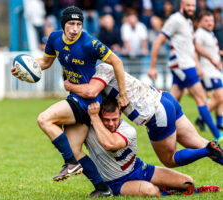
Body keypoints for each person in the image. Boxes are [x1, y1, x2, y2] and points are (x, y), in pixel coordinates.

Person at [11, 6, 129, 197]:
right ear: (63, 24)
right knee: (74, 149)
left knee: (44, 119)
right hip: (77, 100)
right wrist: (27, 66)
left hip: (87, 99)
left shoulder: (90, 43)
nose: (75, 29)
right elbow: (46, 62)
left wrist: (123, 94)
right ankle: (102, 188)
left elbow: (117, 62)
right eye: (71, 24)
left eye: (79, 24)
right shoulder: (54, 38)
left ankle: (71, 164)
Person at [64, 62, 223, 168]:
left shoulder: (98, 76)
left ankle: (208, 150)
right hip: (164, 98)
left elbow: (90, 91)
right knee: (198, 142)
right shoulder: (103, 67)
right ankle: (210, 148)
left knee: (169, 159)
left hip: (156, 112)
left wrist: (69, 85)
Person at [65, 97, 220, 197]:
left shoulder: (128, 130)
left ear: (120, 114)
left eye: (114, 119)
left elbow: (110, 144)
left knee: (188, 183)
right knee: (150, 191)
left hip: (139, 169)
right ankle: (160, 190)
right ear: (99, 116)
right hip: (117, 182)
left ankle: (165, 189)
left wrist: (94, 117)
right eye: (106, 120)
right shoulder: (89, 126)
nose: (111, 124)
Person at [148, 0, 223, 141]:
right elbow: (158, 41)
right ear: (182, 6)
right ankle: (217, 134)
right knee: (201, 98)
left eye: (193, 6)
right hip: (183, 66)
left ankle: (156, 128)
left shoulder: (188, 22)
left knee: (171, 101)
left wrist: (212, 60)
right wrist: (152, 66)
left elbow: (196, 46)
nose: (191, 8)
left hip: (183, 66)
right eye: (188, 5)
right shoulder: (175, 20)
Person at [194, 11, 223, 141]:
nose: (210, 22)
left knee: (221, 97)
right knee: (220, 95)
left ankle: (219, 122)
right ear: (200, 22)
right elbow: (196, 50)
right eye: (206, 20)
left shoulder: (210, 34)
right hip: (207, 71)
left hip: (215, 69)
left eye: (211, 20)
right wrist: (198, 67)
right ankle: (201, 119)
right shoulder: (199, 34)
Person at [120, 12, 149, 79]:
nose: (133, 21)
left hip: (139, 52)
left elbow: (144, 40)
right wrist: (131, 52)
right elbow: (125, 41)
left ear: (137, 19)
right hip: (128, 53)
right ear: (128, 20)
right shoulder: (124, 27)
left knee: (139, 71)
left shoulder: (141, 26)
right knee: (130, 72)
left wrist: (145, 49)